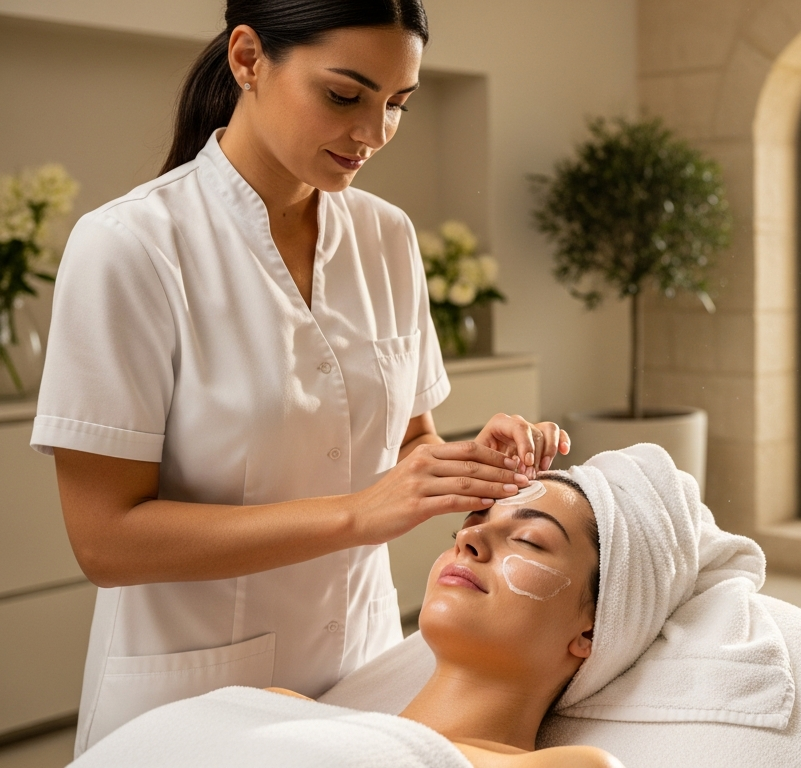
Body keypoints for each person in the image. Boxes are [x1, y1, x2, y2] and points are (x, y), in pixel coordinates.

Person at [29, 0, 569, 755]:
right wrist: (357, 515)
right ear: (248, 59)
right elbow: (106, 542)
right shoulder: (131, 247)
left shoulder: (386, 236)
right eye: (345, 96)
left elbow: (406, 444)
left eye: (397, 105)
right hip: (191, 700)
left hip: (365, 670)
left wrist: (470, 462)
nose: (373, 134)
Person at [72, 473, 619, 768]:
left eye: (529, 539)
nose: (469, 539)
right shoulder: (279, 706)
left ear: (592, 629)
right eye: (470, 524)